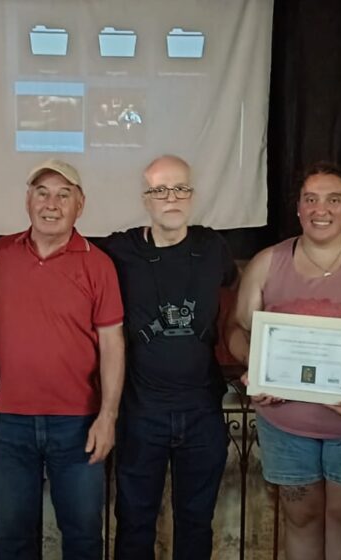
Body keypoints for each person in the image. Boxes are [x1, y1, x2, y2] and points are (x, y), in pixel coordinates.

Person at [227, 162, 341, 560]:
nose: (321, 209)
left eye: (334, 199)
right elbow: (238, 329)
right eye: (310, 199)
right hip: (285, 422)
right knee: (300, 519)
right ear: (298, 207)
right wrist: (256, 369)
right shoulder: (267, 262)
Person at [0, 159, 125, 560]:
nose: (52, 204)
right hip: (7, 422)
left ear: (80, 205)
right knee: (13, 538)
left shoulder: (98, 264)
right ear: (27, 201)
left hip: (78, 424)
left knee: (83, 537)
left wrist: (108, 416)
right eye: (42, 193)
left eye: (64, 195)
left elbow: (112, 345)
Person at [101, 155, 237, 559]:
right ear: (146, 199)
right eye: (160, 190)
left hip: (202, 412)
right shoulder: (119, 250)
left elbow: (243, 300)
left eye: (180, 188)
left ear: (192, 195)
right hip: (141, 412)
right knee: (134, 522)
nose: (171, 198)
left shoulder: (213, 248)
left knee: (196, 524)